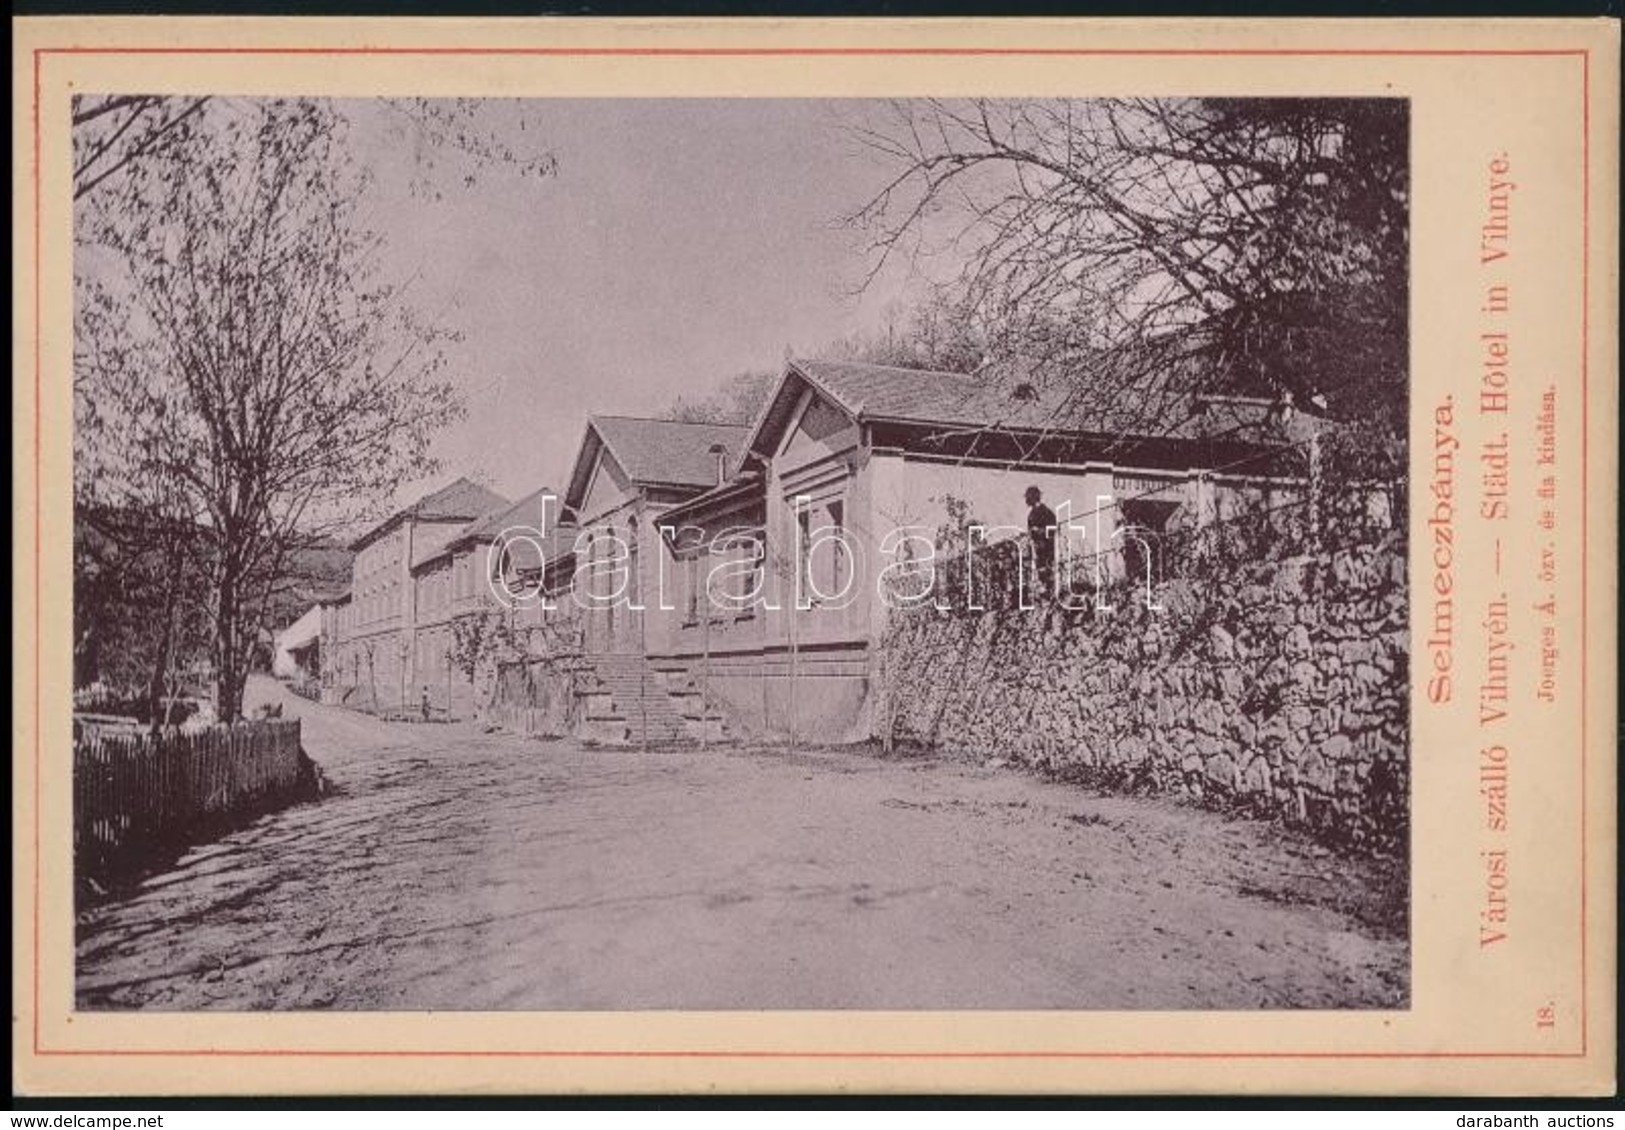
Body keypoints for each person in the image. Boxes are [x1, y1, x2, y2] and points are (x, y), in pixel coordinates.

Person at [1025, 485, 1057, 600]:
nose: (1026, 501)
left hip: (1046, 546)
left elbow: (1053, 529)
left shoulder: (1047, 512)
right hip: (1036, 546)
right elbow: (1029, 531)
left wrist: (1039, 531)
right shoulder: (1031, 515)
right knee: (1039, 569)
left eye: (1028, 497)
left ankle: (1049, 591)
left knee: (1046, 568)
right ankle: (1042, 591)